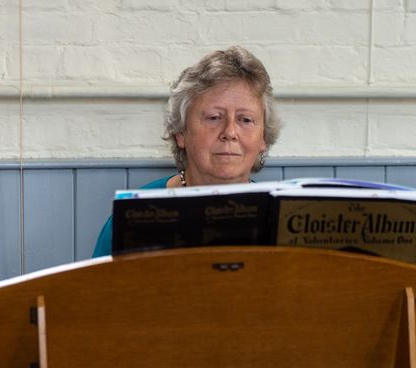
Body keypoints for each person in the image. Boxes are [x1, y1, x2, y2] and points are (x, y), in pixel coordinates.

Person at [92, 46, 282, 257]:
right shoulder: (132, 216)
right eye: (213, 117)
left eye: (245, 120)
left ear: (263, 138)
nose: (229, 132)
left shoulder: (280, 215)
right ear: (180, 132)